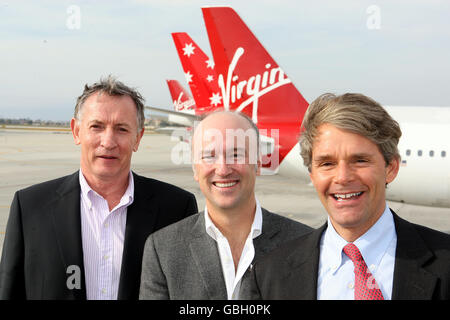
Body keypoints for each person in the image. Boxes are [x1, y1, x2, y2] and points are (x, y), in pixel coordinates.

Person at [0, 76, 198, 300]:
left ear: (138, 138)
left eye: (122, 129)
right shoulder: (29, 208)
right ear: (76, 132)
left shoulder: (176, 209)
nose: (108, 141)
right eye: (96, 127)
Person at [249, 93, 450, 300]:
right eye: (327, 163)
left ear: (391, 168)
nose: (343, 177)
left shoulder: (445, 264)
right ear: (312, 174)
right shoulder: (269, 274)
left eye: (360, 161)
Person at [139, 110, 312, 300]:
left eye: (236, 154)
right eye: (209, 156)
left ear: (259, 163)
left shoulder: (305, 244)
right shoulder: (163, 249)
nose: (222, 169)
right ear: (195, 168)